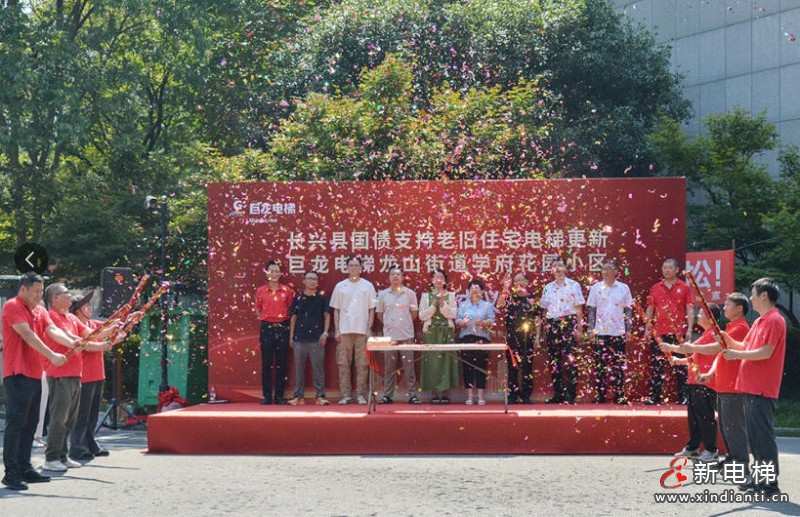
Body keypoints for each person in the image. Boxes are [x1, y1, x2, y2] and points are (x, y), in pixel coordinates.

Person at [2, 273, 70, 491]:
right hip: (17, 373)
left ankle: (25, 467)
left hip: (34, 373)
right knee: (16, 423)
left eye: (41, 291)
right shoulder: (12, 306)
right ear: (23, 289)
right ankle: (11, 472)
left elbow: (52, 330)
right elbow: (28, 335)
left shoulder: (40, 310)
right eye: (35, 291)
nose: (39, 295)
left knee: (31, 424)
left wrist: (74, 341)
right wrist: (52, 355)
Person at [721, 278, 787, 495]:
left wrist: (736, 354)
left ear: (764, 295)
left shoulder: (774, 320)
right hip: (750, 386)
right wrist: (726, 339)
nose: (750, 298)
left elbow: (766, 352)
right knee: (755, 439)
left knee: (762, 438)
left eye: (753, 293)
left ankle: (769, 485)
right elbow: (745, 346)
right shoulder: (759, 321)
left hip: (762, 388)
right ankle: (760, 481)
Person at [41, 283, 115, 472]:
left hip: (75, 373)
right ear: (54, 298)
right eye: (65, 293)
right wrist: (93, 345)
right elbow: (68, 338)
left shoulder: (71, 318)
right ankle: (51, 457)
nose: (69, 296)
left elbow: (92, 334)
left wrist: (116, 327)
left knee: (70, 419)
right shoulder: (51, 316)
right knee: (59, 418)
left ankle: (62, 456)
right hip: (60, 374)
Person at [685, 293, 751, 474]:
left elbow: (717, 348)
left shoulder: (740, 327)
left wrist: (692, 347)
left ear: (739, 308)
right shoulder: (730, 327)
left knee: (734, 427)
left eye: (728, 304)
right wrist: (710, 374)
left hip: (733, 386)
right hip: (723, 384)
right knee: (726, 426)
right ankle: (731, 459)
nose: (724, 308)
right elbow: (720, 355)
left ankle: (740, 464)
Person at [662, 304, 722, 462]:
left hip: (705, 382)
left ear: (710, 317)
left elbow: (690, 349)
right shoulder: (705, 335)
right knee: (694, 418)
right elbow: (695, 357)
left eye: (701, 313)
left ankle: (711, 449)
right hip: (694, 381)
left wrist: (670, 347)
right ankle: (693, 447)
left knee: (705, 417)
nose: (698, 316)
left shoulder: (713, 334)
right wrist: (679, 361)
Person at [644, 258, 695, 405]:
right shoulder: (656, 287)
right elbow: (650, 309)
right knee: (657, 364)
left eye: (670, 268)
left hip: (678, 332)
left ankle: (684, 396)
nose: (667, 270)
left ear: (677, 270)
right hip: (659, 332)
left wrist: (690, 328)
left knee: (681, 365)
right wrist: (647, 329)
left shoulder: (684, 287)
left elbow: (690, 308)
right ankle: (655, 397)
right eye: (664, 268)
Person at [69, 291, 112, 461]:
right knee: (82, 413)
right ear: (77, 310)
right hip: (84, 375)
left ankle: (89, 442)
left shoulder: (92, 323)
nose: (90, 308)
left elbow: (108, 327)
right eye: (86, 305)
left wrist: (128, 319)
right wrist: (103, 345)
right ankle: (77, 447)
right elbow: (88, 345)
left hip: (98, 373)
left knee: (93, 413)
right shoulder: (76, 326)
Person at [330, 256, 376, 405]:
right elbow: (336, 310)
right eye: (351, 265)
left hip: (362, 331)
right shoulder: (340, 286)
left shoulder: (367, 286)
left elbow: (371, 309)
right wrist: (337, 329)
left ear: (361, 268)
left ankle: (361, 394)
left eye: (356, 266)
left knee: (362, 364)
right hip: (344, 331)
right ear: (347, 268)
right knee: (343, 363)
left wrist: (369, 328)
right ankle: (346, 395)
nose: (354, 268)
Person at [586, 258, 632, 405]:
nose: (605, 272)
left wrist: (629, 329)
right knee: (600, 365)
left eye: (609, 269)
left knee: (618, 365)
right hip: (600, 332)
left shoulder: (623, 288)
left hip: (618, 331)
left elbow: (628, 310)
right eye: (603, 269)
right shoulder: (596, 288)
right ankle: (600, 394)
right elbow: (592, 310)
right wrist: (590, 329)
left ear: (616, 271)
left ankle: (619, 394)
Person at [539, 257, 585, 405]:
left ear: (565, 268)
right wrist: (544, 330)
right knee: (554, 360)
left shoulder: (574, 285)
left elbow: (579, 308)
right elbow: (544, 310)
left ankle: (571, 394)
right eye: (555, 266)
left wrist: (579, 328)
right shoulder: (548, 287)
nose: (558, 269)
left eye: (560, 265)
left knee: (570, 360)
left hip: (569, 323)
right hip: (552, 323)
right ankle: (558, 394)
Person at [377, 265, 420, 405]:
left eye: (398, 274)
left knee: (409, 367)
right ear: (389, 277)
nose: (395, 276)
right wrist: (390, 325)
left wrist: (403, 324)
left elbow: (414, 314)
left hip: (406, 335)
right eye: (392, 274)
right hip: (389, 337)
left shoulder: (410, 294)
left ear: (402, 277)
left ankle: (412, 395)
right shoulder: (383, 294)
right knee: (389, 368)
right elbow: (380, 315)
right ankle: (387, 395)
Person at [287, 271, 331, 406]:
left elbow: (327, 316)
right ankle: (298, 396)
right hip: (299, 339)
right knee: (299, 369)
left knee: (318, 369)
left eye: (315, 279)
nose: (312, 281)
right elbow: (293, 317)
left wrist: (325, 333)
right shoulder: (298, 298)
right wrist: (291, 337)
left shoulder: (322, 298)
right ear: (304, 281)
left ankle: (320, 396)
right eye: (310, 279)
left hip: (316, 339)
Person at [254, 260, 294, 405]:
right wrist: (265, 319)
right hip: (267, 328)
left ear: (280, 273)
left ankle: (279, 397)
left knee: (282, 363)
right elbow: (257, 308)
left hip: (282, 327)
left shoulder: (287, 291)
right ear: (267, 273)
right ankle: (266, 396)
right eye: (272, 271)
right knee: (267, 363)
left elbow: (290, 309)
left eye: (277, 271)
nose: (275, 274)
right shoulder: (261, 290)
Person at [418, 269, 459, 404]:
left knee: (446, 362)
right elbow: (422, 316)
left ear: (445, 280)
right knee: (432, 362)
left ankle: (445, 393)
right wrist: (433, 306)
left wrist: (442, 304)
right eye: (436, 277)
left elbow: (453, 314)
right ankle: (434, 394)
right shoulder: (425, 296)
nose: (438, 280)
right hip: (431, 332)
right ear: (432, 280)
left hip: (446, 331)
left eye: (441, 277)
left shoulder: (451, 296)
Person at [496, 271, 537, 404]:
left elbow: (537, 318)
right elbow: (499, 305)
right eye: (516, 281)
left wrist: (537, 337)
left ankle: (526, 395)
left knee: (527, 366)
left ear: (527, 283)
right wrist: (505, 288)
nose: (519, 283)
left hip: (528, 336)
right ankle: (513, 395)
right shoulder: (510, 297)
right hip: (512, 336)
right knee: (512, 367)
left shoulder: (532, 298)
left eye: (521, 280)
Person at [456, 279, 496, 406]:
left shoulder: (487, 305)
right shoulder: (463, 305)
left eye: (477, 288)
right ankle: (469, 396)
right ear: (468, 291)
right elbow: (457, 320)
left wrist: (483, 323)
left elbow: (491, 320)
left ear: (482, 291)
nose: (474, 290)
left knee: (481, 366)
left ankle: (480, 396)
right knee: (467, 367)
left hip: (482, 338)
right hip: (466, 338)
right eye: (472, 288)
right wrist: (463, 323)